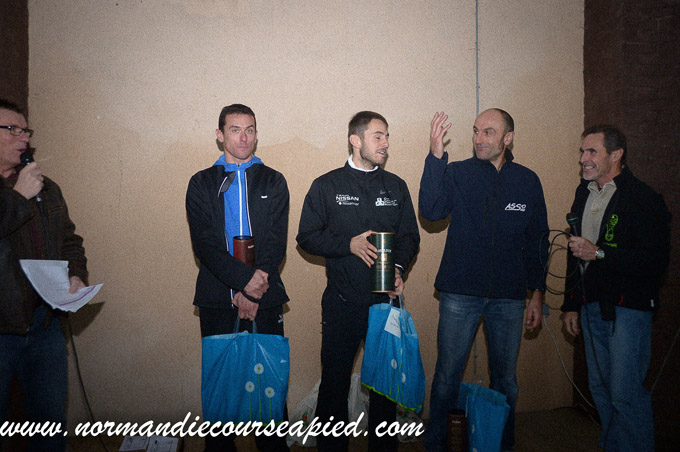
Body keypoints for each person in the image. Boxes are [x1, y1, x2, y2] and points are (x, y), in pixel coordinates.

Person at [420, 109, 549, 452]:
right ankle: (437, 445)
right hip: (460, 293)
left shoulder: (527, 180)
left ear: (508, 138)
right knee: (447, 377)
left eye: (489, 132)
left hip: (509, 297)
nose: (479, 138)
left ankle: (500, 444)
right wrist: (435, 156)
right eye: (476, 131)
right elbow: (431, 211)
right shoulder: (457, 172)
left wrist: (537, 294)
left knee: (506, 381)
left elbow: (538, 241)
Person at [296, 111, 420, 451]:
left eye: (387, 136)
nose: (385, 143)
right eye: (378, 136)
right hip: (342, 305)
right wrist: (346, 245)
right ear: (355, 140)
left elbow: (410, 237)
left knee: (385, 389)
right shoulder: (327, 185)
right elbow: (306, 237)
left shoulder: (395, 187)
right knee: (334, 388)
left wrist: (398, 267)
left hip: (385, 306)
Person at [186, 104, 290, 452]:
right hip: (218, 297)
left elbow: (275, 243)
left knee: (269, 391)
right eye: (234, 129)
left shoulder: (273, 180)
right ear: (220, 135)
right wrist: (242, 284)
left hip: (266, 296)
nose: (243, 137)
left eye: (249, 130)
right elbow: (205, 244)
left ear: (256, 134)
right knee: (221, 391)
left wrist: (254, 291)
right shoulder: (201, 183)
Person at [561, 125, 670, 452]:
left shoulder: (643, 198)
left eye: (592, 151)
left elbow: (654, 262)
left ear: (616, 154)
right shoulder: (584, 192)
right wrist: (571, 304)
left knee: (625, 393)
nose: (584, 159)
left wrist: (600, 253)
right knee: (601, 390)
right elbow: (575, 252)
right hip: (591, 306)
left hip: (628, 311)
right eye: (582, 151)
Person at [0, 99, 89, 452]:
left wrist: (76, 276)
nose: (23, 137)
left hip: (45, 325)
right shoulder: (24, 189)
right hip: (2, 327)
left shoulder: (46, 187)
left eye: (26, 130)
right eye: (12, 129)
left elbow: (70, 241)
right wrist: (18, 197)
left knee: (49, 427)